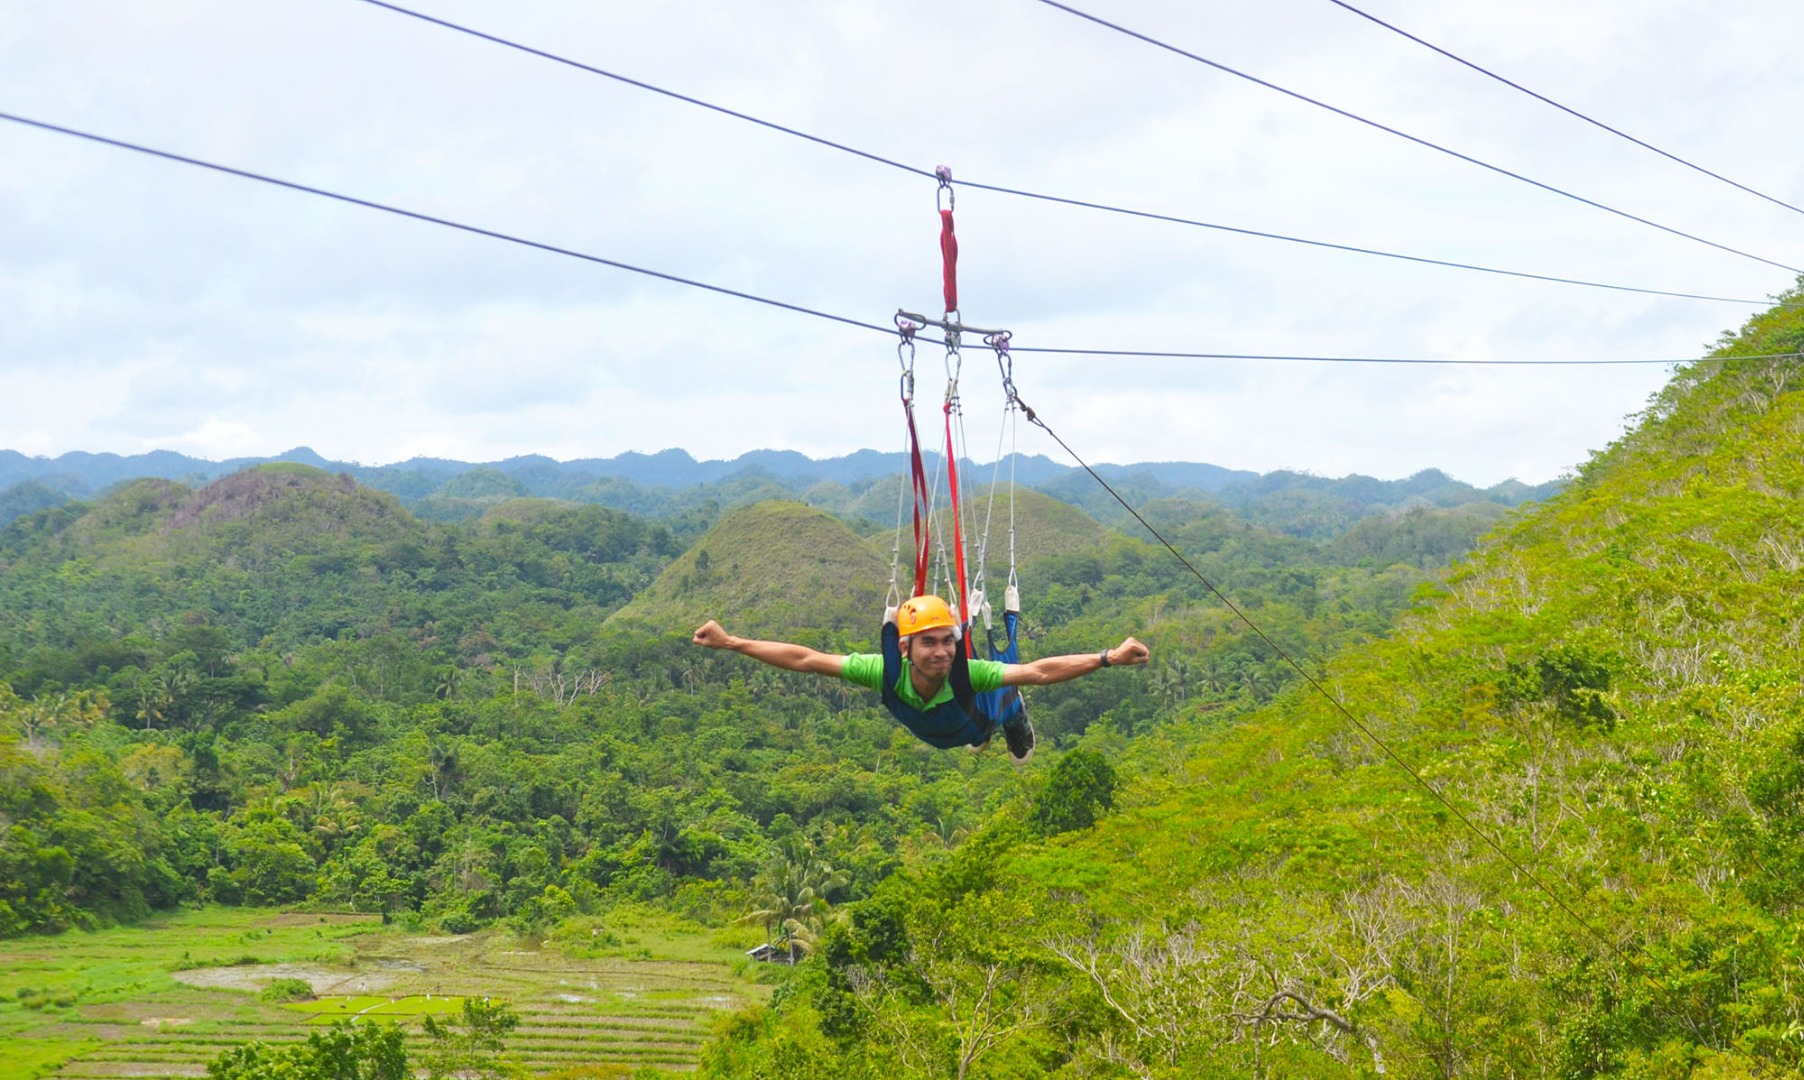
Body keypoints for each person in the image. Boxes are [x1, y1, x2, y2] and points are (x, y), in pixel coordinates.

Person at [692, 593, 1148, 764]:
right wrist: (732, 642)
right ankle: (992, 727)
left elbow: (1039, 671)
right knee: (987, 695)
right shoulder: (884, 670)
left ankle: (1011, 722)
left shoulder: (967, 671)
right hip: (937, 728)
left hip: (970, 720)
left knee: (1008, 690)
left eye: (948, 641)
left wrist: (1109, 657)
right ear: (905, 648)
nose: (942, 652)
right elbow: (807, 658)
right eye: (929, 643)